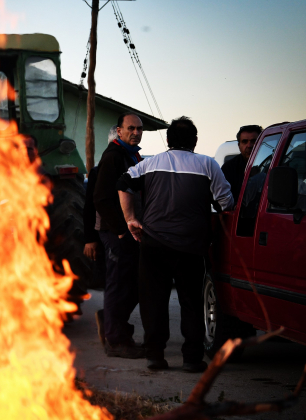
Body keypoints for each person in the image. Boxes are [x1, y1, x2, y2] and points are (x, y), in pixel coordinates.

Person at [117, 116, 233, 372]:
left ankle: (155, 356)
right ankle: (192, 359)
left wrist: (131, 220)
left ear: (168, 140)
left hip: (154, 244)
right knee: (191, 301)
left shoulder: (150, 163)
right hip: (191, 246)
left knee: (153, 300)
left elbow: (123, 183)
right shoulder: (208, 164)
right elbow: (226, 202)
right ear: (195, 141)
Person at [94, 114, 146, 358]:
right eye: (131, 128)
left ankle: (113, 325)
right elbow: (102, 198)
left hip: (128, 231)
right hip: (116, 232)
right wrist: (120, 232)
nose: (136, 132)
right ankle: (115, 341)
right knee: (118, 285)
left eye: (139, 129)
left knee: (132, 285)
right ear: (119, 130)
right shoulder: (113, 156)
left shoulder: (132, 155)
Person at [84, 126, 119, 341]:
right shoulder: (99, 171)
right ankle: (109, 327)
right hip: (109, 235)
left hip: (126, 234)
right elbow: (90, 207)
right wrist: (90, 239)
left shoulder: (135, 163)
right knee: (113, 283)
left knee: (122, 284)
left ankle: (111, 321)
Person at [221, 125, 262, 203]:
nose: (249, 145)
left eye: (254, 141)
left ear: (261, 143)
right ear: (239, 145)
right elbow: (221, 197)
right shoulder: (229, 168)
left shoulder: (272, 165)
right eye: (244, 141)